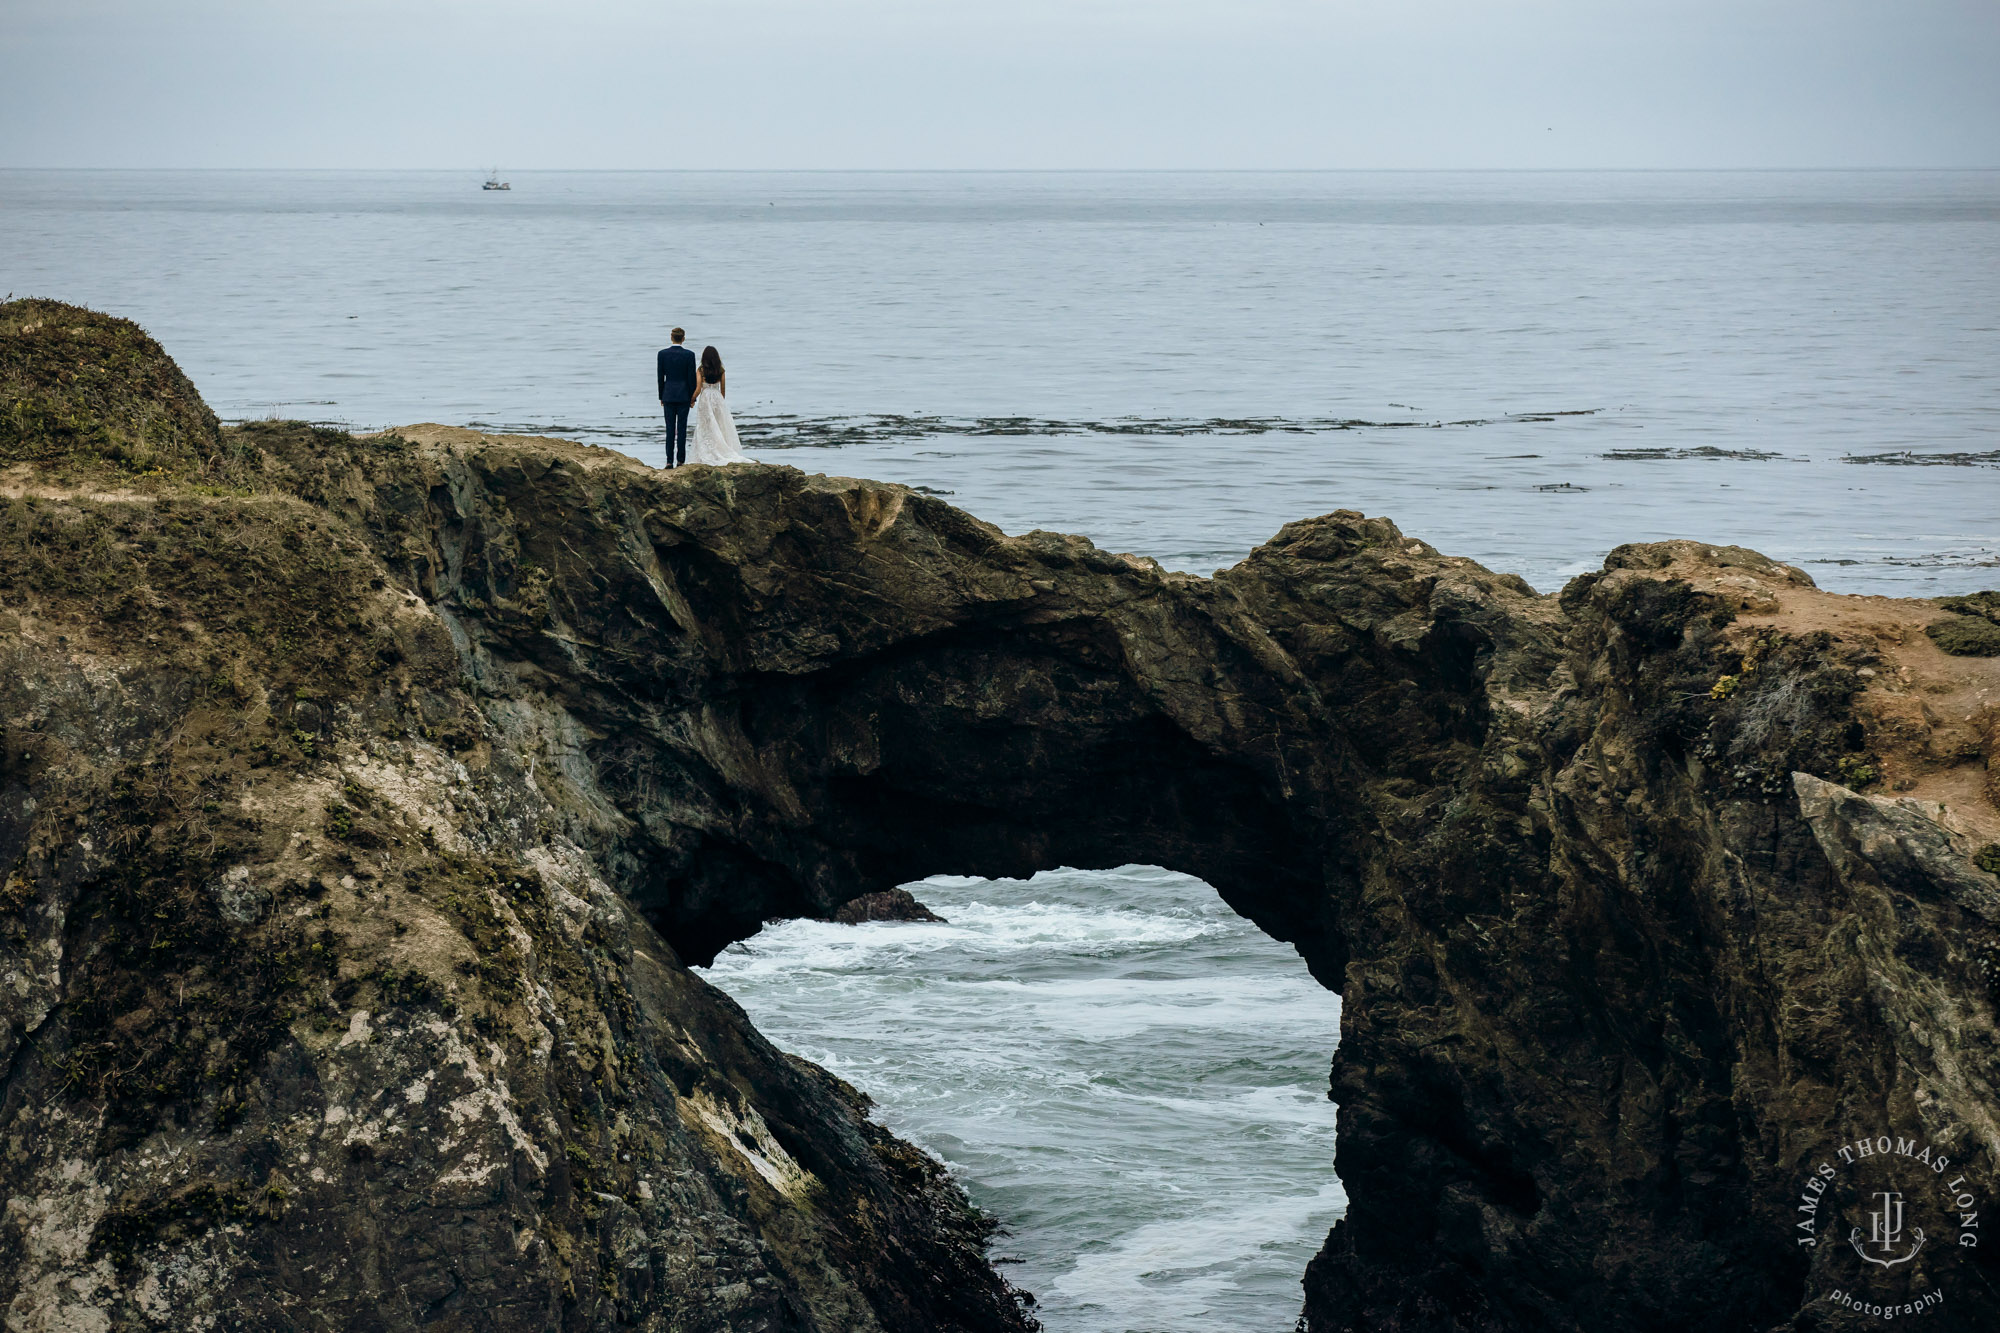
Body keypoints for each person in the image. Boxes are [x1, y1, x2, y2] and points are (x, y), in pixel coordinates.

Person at [687, 345, 750, 465]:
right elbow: (723, 389)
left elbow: (698, 388)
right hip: (717, 397)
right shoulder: (721, 370)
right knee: (719, 423)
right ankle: (721, 447)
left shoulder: (701, 370)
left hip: (705, 398)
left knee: (705, 425)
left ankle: (706, 450)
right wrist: (721, 401)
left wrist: (692, 399)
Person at [656, 329, 697, 467]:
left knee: (669, 429)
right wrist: (692, 397)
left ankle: (669, 461)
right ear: (683, 338)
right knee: (682, 429)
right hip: (684, 395)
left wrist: (661, 395)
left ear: (671, 337)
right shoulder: (689, 355)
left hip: (668, 394)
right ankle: (680, 460)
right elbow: (691, 378)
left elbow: (660, 377)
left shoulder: (662, 354)